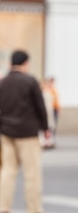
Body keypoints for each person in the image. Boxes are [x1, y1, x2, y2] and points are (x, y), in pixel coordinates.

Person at [0, 50, 50, 213]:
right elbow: (40, 106)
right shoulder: (30, 81)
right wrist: (45, 128)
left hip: (6, 133)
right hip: (27, 133)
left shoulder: (3, 82)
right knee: (32, 174)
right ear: (26, 63)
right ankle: (33, 209)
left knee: (7, 171)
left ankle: (3, 207)